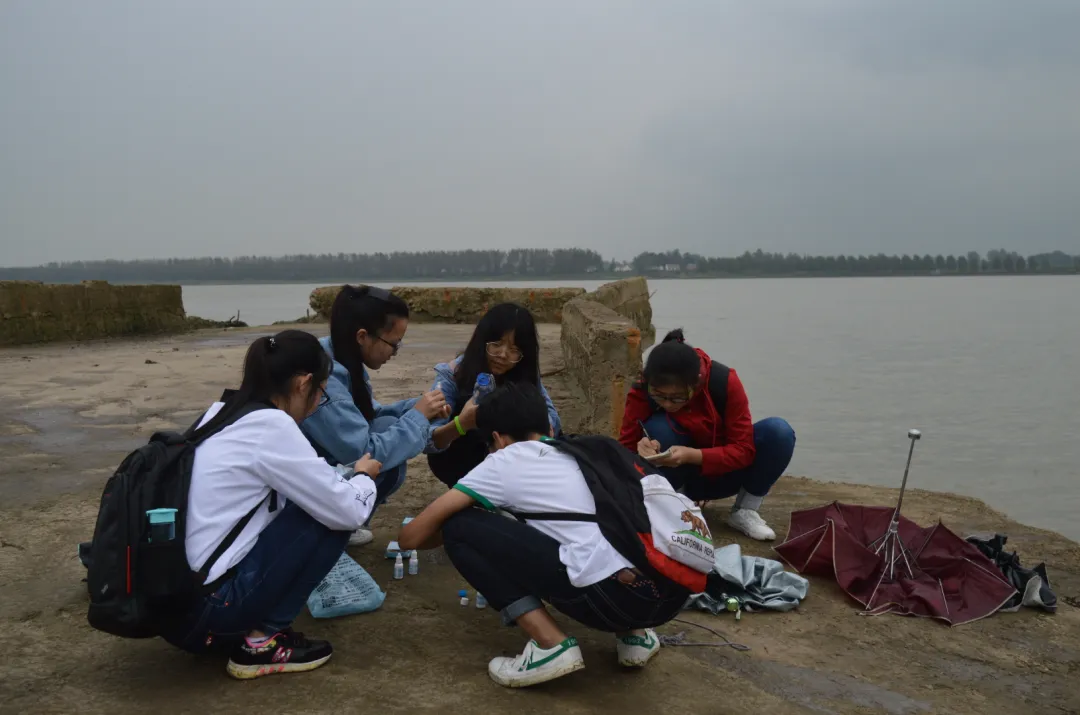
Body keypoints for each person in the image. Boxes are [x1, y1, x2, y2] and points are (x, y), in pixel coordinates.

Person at [399, 383, 688, 688]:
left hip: (615, 601)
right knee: (589, 528)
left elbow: (410, 538)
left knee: (460, 526)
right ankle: (636, 637)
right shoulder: (591, 451)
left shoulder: (505, 460)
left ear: (497, 439)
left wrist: (458, 527)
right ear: (549, 427)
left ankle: (551, 645)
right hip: (671, 593)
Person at [162, 330, 383, 679]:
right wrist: (364, 477)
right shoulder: (272, 425)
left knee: (317, 500)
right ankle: (261, 643)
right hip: (210, 614)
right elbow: (348, 511)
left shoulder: (221, 412)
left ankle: (251, 629)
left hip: (173, 606)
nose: (317, 403)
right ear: (303, 383)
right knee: (330, 515)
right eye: (321, 392)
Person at [302, 285, 448, 545]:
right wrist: (418, 416)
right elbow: (364, 451)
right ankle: (333, 529)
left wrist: (420, 407)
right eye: (393, 343)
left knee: (388, 425)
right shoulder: (326, 378)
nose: (395, 352)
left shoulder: (340, 355)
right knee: (386, 460)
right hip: (303, 479)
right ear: (362, 336)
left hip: (317, 462)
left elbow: (371, 416)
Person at [618, 329, 795, 541]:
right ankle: (678, 506)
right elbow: (624, 448)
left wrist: (692, 455)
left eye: (677, 397)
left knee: (778, 432)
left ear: (697, 383)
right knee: (659, 428)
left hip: (724, 473)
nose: (667, 404)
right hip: (673, 478)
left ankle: (745, 510)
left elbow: (744, 450)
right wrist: (641, 452)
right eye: (659, 396)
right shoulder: (643, 388)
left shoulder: (724, 382)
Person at [424, 302, 562, 487]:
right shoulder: (452, 374)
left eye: (514, 350)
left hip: (514, 460)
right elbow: (428, 440)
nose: (503, 355)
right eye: (496, 344)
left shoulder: (524, 374)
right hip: (462, 462)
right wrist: (461, 424)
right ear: (481, 342)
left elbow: (553, 421)